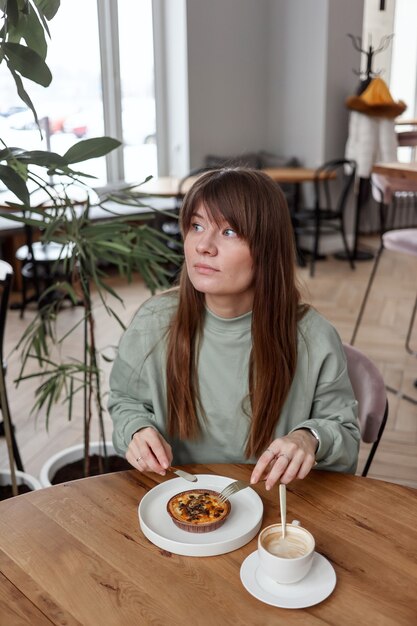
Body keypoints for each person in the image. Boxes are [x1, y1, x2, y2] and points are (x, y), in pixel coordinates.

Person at [108, 168, 360, 489]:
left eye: (228, 232)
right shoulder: (153, 322)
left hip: (277, 508)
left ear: (267, 249)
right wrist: (136, 430)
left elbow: (345, 435)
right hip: (178, 499)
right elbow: (125, 400)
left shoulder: (314, 338)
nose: (203, 246)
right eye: (196, 226)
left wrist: (309, 437)